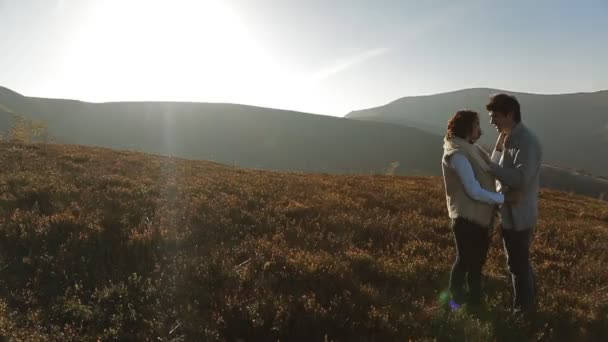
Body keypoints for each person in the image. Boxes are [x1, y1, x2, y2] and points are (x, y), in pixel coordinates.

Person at [441, 110, 516, 308]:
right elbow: (473, 190)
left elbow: (488, 167)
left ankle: (473, 301)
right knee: (466, 261)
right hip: (466, 218)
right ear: (468, 126)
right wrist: (503, 199)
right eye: (477, 125)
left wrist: (499, 148)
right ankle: (457, 300)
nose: (480, 130)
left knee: (476, 263)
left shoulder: (468, 148)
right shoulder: (457, 153)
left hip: (480, 217)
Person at [487, 93, 542, 316]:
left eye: (496, 116)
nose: (492, 122)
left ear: (510, 114)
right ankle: (529, 302)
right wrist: (498, 148)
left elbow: (520, 178)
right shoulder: (509, 137)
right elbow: (496, 165)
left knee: (517, 265)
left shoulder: (525, 142)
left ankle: (523, 314)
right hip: (510, 212)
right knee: (519, 262)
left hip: (519, 215)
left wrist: (490, 168)